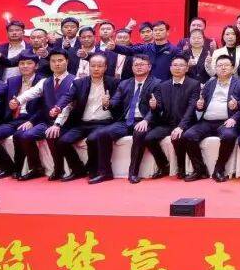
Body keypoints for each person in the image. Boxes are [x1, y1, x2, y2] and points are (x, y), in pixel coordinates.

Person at [83, 53, 158, 184]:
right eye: (136, 64)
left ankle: (133, 173)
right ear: (132, 67)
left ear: (149, 67)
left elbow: (157, 107)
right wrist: (107, 103)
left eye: (142, 64)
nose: (138, 67)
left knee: (139, 132)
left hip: (144, 120)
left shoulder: (157, 83)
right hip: (126, 121)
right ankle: (105, 172)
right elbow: (115, 101)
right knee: (102, 133)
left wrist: (146, 120)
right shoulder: (125, 83)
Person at [47, 52, 119, 181]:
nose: (96, 69)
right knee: (63, 142)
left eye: (100, 66)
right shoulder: (79, 83)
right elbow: (68, 97)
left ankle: (94, 170)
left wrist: (109, 103)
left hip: (103, 122)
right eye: (93, 66)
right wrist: (58, 107)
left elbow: (118, 102)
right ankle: (78, 170)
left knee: (92, 139)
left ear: (105, 67)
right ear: (88, 66)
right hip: (83, 123)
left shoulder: (114, 83)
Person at [184, 54, 240, 182]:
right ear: (215, 68)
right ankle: (199, 170)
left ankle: (219, 169)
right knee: (188, 135)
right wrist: (199, 106)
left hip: (227, 121)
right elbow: (201, 103)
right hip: (207, 121)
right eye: (219, 65)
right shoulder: (210, 83)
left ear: (233, 68)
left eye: (226, 65)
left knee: (229, 136)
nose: (223, 68)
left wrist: (234, 118)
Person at [12, 50, 74, 179]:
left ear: (67, 62)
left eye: (60, 60)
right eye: (53, 61)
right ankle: (36, 168)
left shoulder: (75, 80)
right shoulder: (45, 81)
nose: (56, 64)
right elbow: (32, 92)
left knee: (52, 134)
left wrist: (57, 124)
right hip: (47, 122)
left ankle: (59, 170)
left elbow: (69, 105)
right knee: (25, 136)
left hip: (67, 123)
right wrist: (17, 101)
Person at [0, 53, 45, 179]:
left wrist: (32, 121)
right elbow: (0, 95)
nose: (25, 66)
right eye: (22, 63)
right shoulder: (12, 80)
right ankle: (7, 168)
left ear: (36, 66)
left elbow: (45, 106)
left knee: (19, 135)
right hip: (15, 118)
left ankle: (20, 169)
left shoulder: (44, 81)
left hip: (33, 119)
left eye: (29, 63)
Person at [141, 55, 199, 181]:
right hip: (168, 123)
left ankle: (181, 168)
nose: (177, 68)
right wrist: (154, 106)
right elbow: (159, 109)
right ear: (170, 68)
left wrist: (181, 127)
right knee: (149, 138)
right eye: (175, 65)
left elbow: (191, 108)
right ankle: (164, 166)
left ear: (187, 68)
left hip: (187, 123)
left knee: (178, 138)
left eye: (181, 65)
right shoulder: (163, 85)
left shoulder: (194, 84)